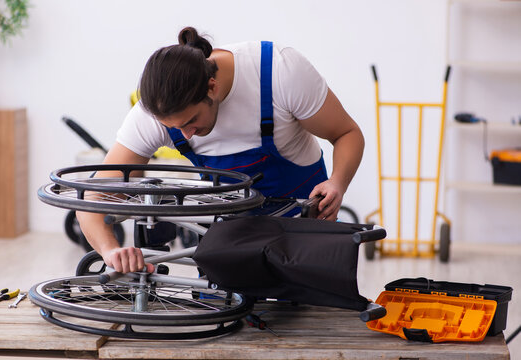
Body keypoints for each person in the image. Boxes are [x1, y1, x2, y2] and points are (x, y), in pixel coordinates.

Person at [76, 26, 364, 274]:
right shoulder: (152, 114)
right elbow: (94, 198)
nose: (186, 133)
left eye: (190, 121)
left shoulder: (278, 71)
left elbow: (347, 134)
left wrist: (338, 182)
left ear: (212, 87)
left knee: (311, 320)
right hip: (230, 241)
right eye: (175, 128)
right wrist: (110, 250)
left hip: (303, 230)